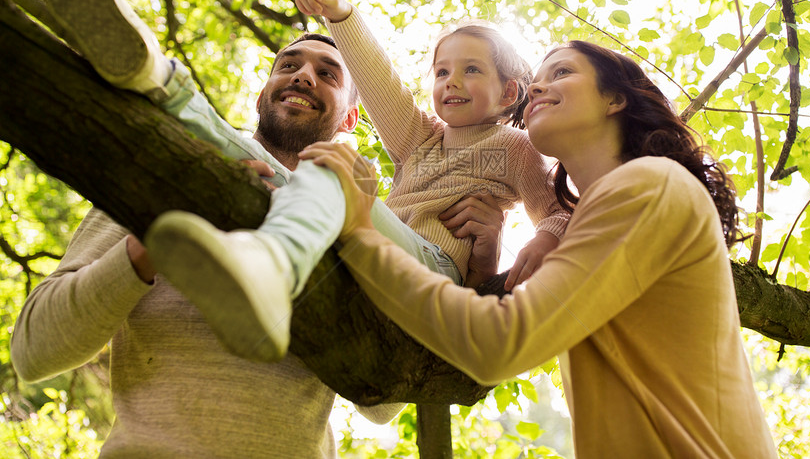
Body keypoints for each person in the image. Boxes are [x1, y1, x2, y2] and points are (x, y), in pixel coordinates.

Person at [10, 0, 505, 458]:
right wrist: (152, 245)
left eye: (328, 73)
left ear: (352, 119)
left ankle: (161, 80)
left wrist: (481, 266)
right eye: (288, 65)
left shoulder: (353, 222)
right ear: (261, 95)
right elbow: (32, 351)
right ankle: (156, 76)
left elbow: (382, 403)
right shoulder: (161, 181)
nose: (303, 76)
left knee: (334, 177)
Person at [307, 41, 779, 457]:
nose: (538, 87)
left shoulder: (649, 185)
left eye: (562, 72)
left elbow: (498, 342)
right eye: (538, 79)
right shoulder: (600, 221)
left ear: (616, 98)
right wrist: (482, 266)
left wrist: (362, 229)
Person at [141, 0, 569, 360]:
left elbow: (559, 209)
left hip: (431, 269)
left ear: (509, 92)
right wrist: (341, 13)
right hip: (367, 256)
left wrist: (544, 237)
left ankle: (273, 269)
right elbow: (380, 80)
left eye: (471, 70)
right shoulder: (420, 138)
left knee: (337, 169)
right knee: (278, 176)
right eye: (442, 72)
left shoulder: (516, 148)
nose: (451, 81)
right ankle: (164, 85)